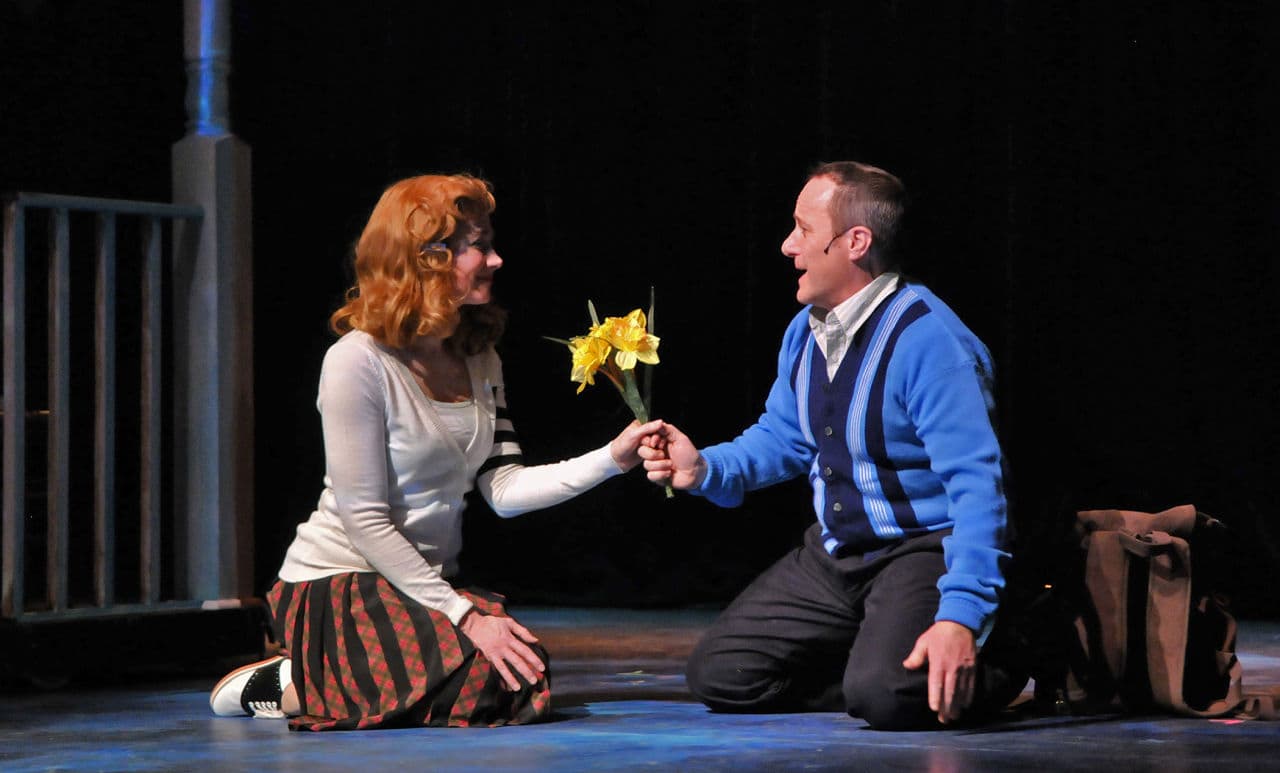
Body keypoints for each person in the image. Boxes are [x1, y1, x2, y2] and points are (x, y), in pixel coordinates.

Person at [209, 174, 660, 730]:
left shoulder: (478, 357)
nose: (496, 260)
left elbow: (503, 487)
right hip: (340, 582)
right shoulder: (358, 362)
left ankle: (334, 678)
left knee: (520, 677)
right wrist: (465, 616)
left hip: (419, 585)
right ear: (427, 258)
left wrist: (613, 458)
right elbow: (366, 520)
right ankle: (292, 680)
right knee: (481, 681)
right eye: (480, 247)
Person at [640, 161, 1013, 730]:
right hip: (837, 554)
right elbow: (784, 438)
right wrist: (706, 468)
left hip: (921, 549)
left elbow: (978, 486)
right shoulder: (808, 331)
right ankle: (883, 665)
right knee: (723, 674)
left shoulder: (931, 342)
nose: (789, 246)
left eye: (804, 231)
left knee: (885, 699)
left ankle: (998, 658)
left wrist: (960, 615)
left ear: (856, 242)